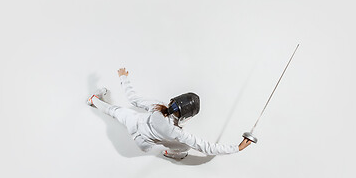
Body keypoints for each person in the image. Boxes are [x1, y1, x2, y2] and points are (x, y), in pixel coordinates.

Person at [87, 68, 252, 159]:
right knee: (185, 146)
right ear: (187, 116)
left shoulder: (158, 106)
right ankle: (172, 154)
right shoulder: (177, 133)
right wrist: (236, 148)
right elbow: (206, 147)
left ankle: (93, 100)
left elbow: (133, 98)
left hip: (132, 122)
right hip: (143, 144)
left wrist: (123, 78)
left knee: (113, 111)